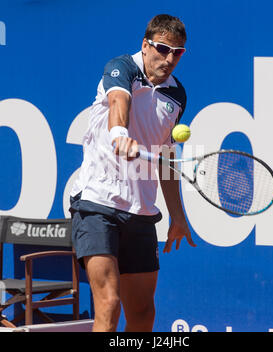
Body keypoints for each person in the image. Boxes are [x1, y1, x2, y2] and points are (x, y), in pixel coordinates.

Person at [69, 14, 196, 332]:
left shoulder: (177, 95)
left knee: (142, 314)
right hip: (98, 205)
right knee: (109, 305)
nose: (169, 58)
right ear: (145, 44)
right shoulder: (121, 68)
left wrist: (177, 216)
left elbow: (166, 158)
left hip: (141, 213)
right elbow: (118, 102)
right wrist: (118, 135)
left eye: (177, 52)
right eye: (163, 48)